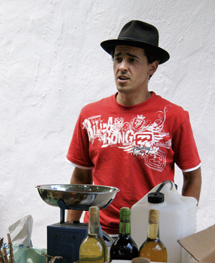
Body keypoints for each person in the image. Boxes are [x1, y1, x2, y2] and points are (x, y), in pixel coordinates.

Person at [66, 20, 202, 235]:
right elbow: (81, 177)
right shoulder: (90, 115)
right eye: (118, 58)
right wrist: (71, 229)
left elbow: (193, 176)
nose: (122, 66)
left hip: (153, 234)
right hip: (99, 233)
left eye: (132, 60)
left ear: (152, 67)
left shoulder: (174, 117)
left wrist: (183, 225)